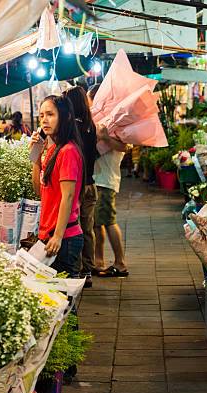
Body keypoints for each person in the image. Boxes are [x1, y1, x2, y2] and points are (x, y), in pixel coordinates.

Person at [30, 95, 85, 276]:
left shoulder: (68, 151)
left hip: (64, 238)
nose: (44, 120)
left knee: (63, 298)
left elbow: (68, 197)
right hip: (49, 234)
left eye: (50, 114)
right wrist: (36, 155)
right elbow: (39, 190)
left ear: (66, 116)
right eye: (41, 115)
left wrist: (58, 236)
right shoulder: (54, 149)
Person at [87, 84, 129, 277]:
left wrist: (104, 137)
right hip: (99, 178)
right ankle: (99, 261)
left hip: (105, 179)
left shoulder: (112, 123)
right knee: (97, 223)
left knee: (109, 221)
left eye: (90, 101)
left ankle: (120, 264)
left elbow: (124, 147)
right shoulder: (102, 120)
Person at [63, 86, 99, 287]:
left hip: (76, 186)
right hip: (90, 185)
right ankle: (87, 269)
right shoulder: (90, 125)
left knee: (73, 228)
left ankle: (76, 269)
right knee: (87, 228)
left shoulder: (72, 128)